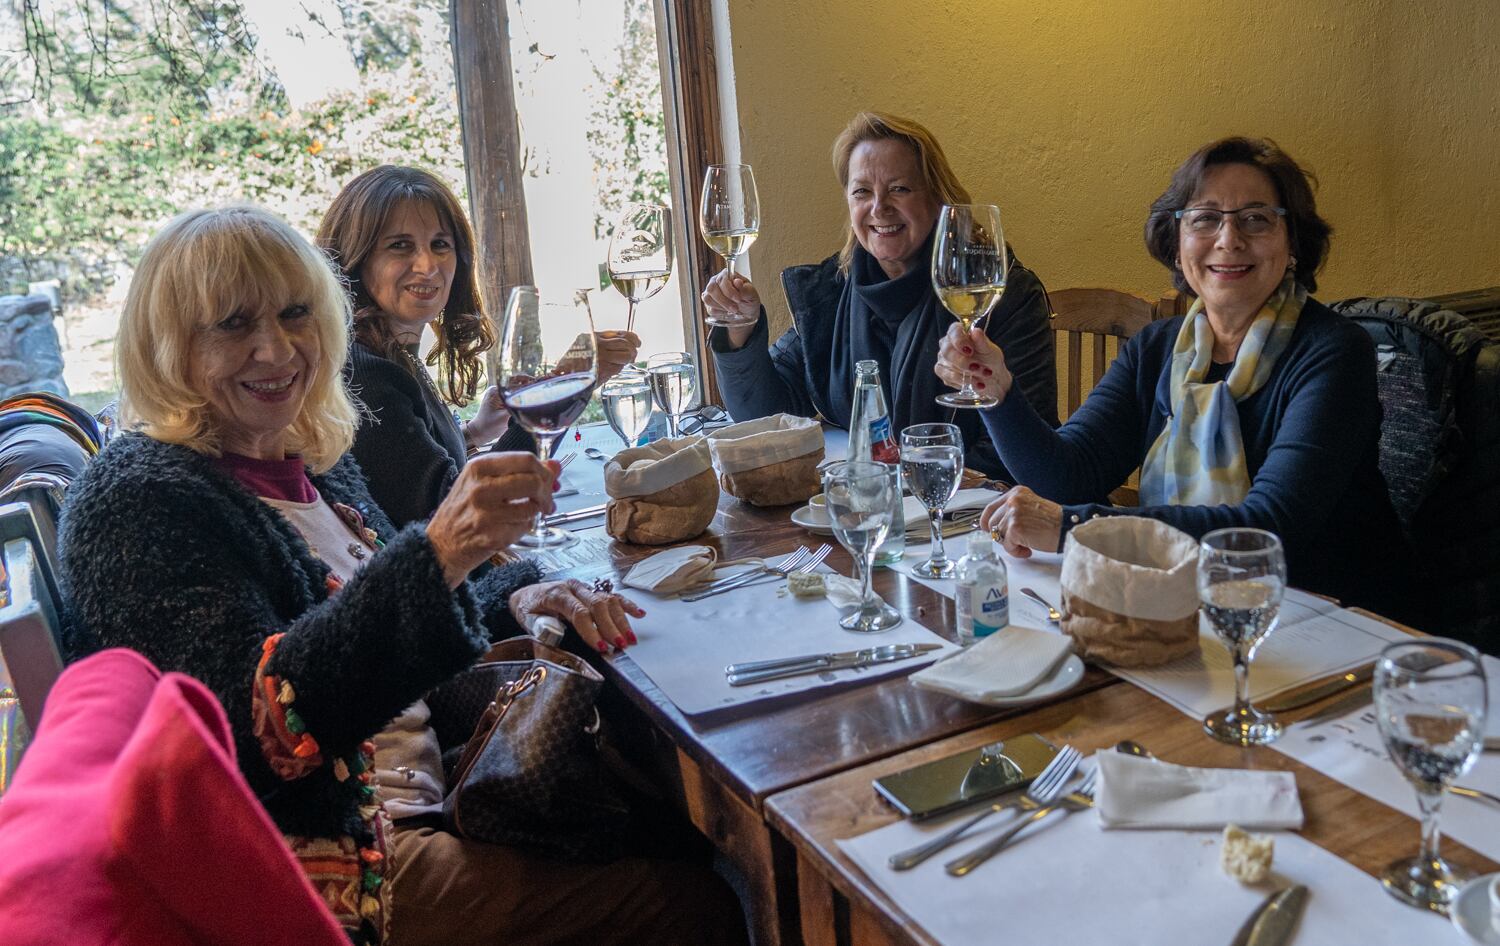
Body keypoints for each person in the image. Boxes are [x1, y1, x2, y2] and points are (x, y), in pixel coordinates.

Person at [58, 206, 746, 946]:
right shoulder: (137, 500)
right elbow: (259, 728)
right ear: (167, 346)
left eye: (296, 313)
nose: (276, 348)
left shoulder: (304, 456)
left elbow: (400, 610)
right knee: (696, 904)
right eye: (232, 324)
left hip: (434, 786)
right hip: (338, 872)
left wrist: (518, 591)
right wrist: (442, 552)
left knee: (670, 823)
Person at [939, 136, 1406, 614]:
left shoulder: (1334, 351)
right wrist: (994, 391)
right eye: (1205, 218)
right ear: (1178, 245)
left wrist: (1075, 529)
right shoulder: (1158, 348)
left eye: (1257, 219)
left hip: (1323, 620)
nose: (1229, 239)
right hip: (1182, 605)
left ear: (1293, 246)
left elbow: (1268, 528)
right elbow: (1068, 474)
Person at [703, 111, 1057, 477]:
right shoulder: (835, 288)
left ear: (938, 198)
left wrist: (897, 481)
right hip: (867, 504)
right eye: (862, 192)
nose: (879, 207)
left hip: (969, 514)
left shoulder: (1004, 296)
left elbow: (1021, 456)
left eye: (899, 188)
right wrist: (741, 332)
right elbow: (769, 416)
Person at [318, 165, 641, 530]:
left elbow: (410, 475)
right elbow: (460, 519)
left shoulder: (388, 349)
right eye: (400, 246)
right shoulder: (365, 374)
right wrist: (566, 386)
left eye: (440, 244)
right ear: (354, 259)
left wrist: (472, 434)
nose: (427, 265)